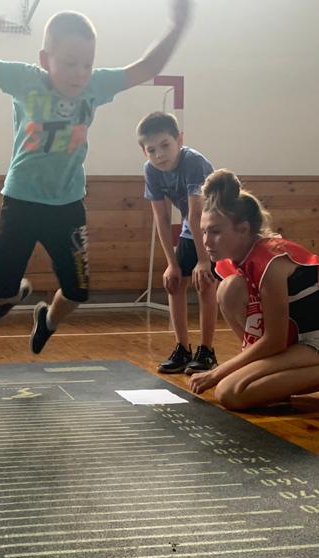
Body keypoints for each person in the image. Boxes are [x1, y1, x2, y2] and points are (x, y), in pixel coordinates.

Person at [0, 1, 192, 354]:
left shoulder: (95, 85)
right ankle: (11, 294)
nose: (79, 73)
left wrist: (176, 27)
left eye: (87, 64)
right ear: (44, 59)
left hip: (67, 206)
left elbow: (147, 67)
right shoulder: (25, 79)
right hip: (21, 200)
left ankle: (47, 320)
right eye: (69, 63)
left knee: (78, 292)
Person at [190, 170, 319, 413]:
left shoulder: (270, 262)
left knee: (230, 392)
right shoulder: (239, 258)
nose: (206, 241)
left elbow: (274, 341)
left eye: (215, 231)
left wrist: (217, 373)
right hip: (299, 338)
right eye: (203, 231)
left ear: (243, 229)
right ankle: (285, 381)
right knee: (228, 290)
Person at [138, 111, 218, 374]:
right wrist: (171, 263)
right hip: (190, 228)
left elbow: (197, 214)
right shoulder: (151, 170)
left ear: (179, 140)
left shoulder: (194, 163)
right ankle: (182, 349)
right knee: (175, 283)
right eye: (152, 150)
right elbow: (161, 218)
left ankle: (207, 351)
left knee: (205, 283)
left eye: (165, 145)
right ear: (144, 151)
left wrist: (204, 260)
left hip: (215, 227)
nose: (159, 155)